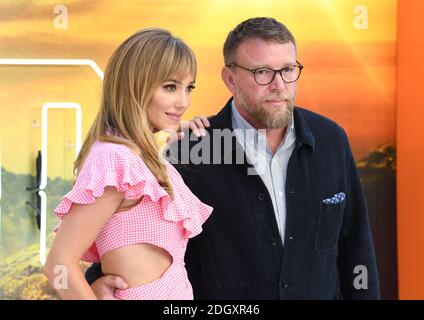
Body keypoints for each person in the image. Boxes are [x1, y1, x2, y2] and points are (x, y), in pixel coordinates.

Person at [86, 17, 380, 299]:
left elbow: (356, 243)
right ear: (230, 78)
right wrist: (97, 283)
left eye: (288, 69)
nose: (279, 85)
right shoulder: (190, 151)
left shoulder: (331, 140)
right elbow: (137, 235)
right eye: (262, 72)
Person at [42, 28, 213, 300]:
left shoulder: (137, 157)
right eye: (170, 87)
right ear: (135, 86)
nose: (183, 101)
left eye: (188, 87)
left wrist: (175, 136)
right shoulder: (114, 159)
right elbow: (58, 265)